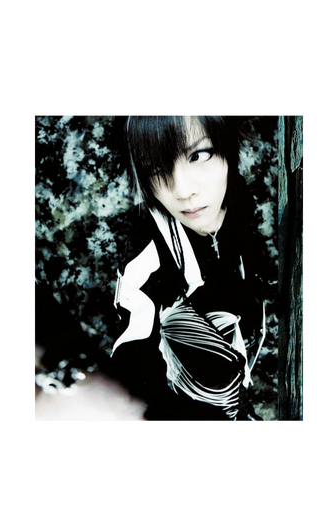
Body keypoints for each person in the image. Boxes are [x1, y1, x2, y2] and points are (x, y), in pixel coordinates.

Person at [105, 113, 269, 424]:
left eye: (199, 155)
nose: (182, 190)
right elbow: (132, 354)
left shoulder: (239, 200)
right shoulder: (149, 248)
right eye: (156, 166)